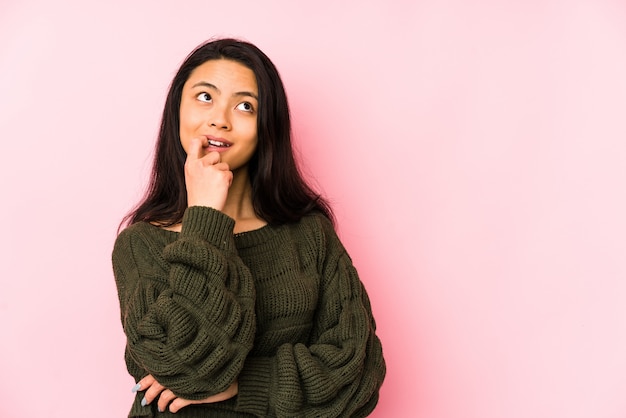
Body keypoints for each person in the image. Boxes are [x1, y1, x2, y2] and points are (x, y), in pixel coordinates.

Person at [112, 38, 385, 417]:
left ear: (265, 127)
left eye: (245, 106)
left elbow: (359, 371)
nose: (220, 118)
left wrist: (244, 385)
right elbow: (186, 370)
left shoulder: (309, 235)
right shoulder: (140, 243)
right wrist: (204, 214)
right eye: (204, 97)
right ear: (177, 110)